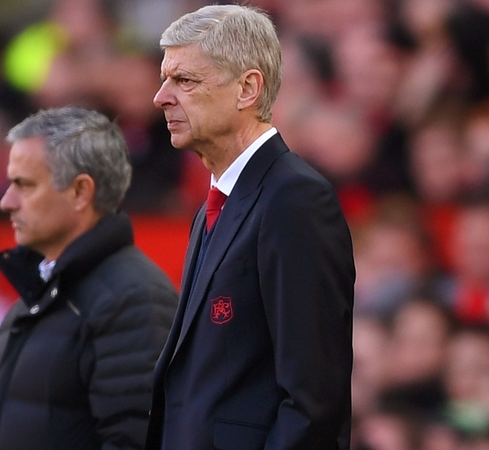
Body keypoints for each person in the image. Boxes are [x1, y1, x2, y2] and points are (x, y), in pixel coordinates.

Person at [145, 5, 355, 449]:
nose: (161, 97)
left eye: (184, 80)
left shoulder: (294, 199)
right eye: (165, 79)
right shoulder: (213, 206)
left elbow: (313, 400)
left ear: (247, 88)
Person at [0, 106, 178, 450]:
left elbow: (136, 440)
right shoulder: (38, 295)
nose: (7, 202)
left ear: (81, 192)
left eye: (24, 185)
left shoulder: (133, 299)